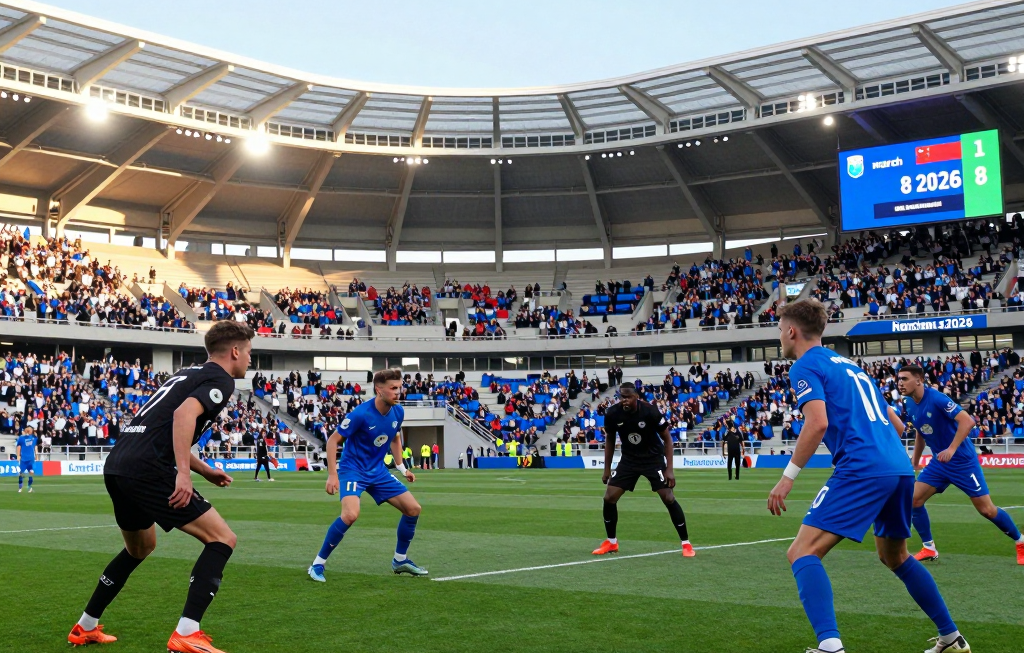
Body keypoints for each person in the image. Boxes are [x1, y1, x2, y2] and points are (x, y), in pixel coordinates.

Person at [768, 300, 968, 653]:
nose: (779, 334)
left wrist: (788, 477)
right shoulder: (851, 367)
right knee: (896, 557)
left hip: (863, 466)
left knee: (801, 552)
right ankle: (951, 638)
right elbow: (897, 422)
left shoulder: (804, 366)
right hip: (899, 466)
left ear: (791, 330)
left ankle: (830, 647)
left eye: (779, 327)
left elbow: (818, 423)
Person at [68, 321, 253, 653]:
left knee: (139, 548)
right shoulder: (220, 380)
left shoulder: (185, 374)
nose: (250, 360)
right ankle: (187, 632)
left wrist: (204, 469)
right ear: (235, 351)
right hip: (147, 469)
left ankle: (85, 626)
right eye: (250, 352)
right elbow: (183, 416)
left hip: (120, 464)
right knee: (222, 538)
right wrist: (183, 473)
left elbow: (164, 429)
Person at [896, 364, 1024, 564]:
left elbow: (968, 421)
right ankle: (929, 547)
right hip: (939, 463)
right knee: (913, 500)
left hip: (962, 462)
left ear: (919, 380)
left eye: (904, 379)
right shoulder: (909, 403)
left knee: (987, 510)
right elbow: (921, 431)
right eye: (898, 379)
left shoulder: (937, 398)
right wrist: (916, 460)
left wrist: (952, 449)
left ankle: (1020, 541)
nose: (899, 383)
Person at [308, 368, 427, 582]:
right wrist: (332, 475)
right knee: (350, 515)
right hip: (353, 470)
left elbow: (395, 438)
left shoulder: (398, 412)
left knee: (413, 509)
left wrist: (402, 468)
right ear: (378, 390)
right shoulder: (360, 414)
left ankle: (400, 560)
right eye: (393, 388)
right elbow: (333, 441)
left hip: (378, 471)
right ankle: (317, 564)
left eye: (399, 387)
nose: (398, 392)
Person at [592, 382, 694, 558]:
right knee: (609, 497)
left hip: (652, 459)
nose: (624, 400)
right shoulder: (612, 413)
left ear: (636, 397)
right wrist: (606, 469)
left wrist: (669, 469)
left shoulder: (650, 411)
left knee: (668, 497)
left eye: (628, 397)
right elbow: (610, 439)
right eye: (621, 397)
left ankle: (686, 544)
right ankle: (611, 542)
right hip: (629, 460)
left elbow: (668, 440)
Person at [15, 426, 37, 493]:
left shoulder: (34, 438)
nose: (30, 431)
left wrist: (36, 455)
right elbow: (18, 447)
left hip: (31, 459)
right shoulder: (21, 438)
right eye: (29, 430)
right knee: (21, 473)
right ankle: (20, 487)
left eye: (31, 430)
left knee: (31, 473)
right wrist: (18, 456)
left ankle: (29, 487)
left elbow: (35, 446)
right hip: (23, 459)